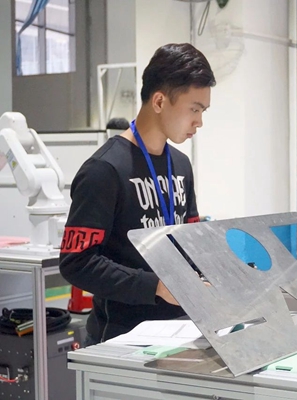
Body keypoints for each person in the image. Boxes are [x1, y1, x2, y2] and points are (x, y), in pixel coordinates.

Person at [59, 43, 215, 345]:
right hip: (122, 338)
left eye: (202, 111)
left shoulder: (181, 165)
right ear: (159, 101)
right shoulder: (105, 170)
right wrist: (155, 286)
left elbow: (191, 240)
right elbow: (76, 262)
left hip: (182, 330)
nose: (199, 121)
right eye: (194, 109)